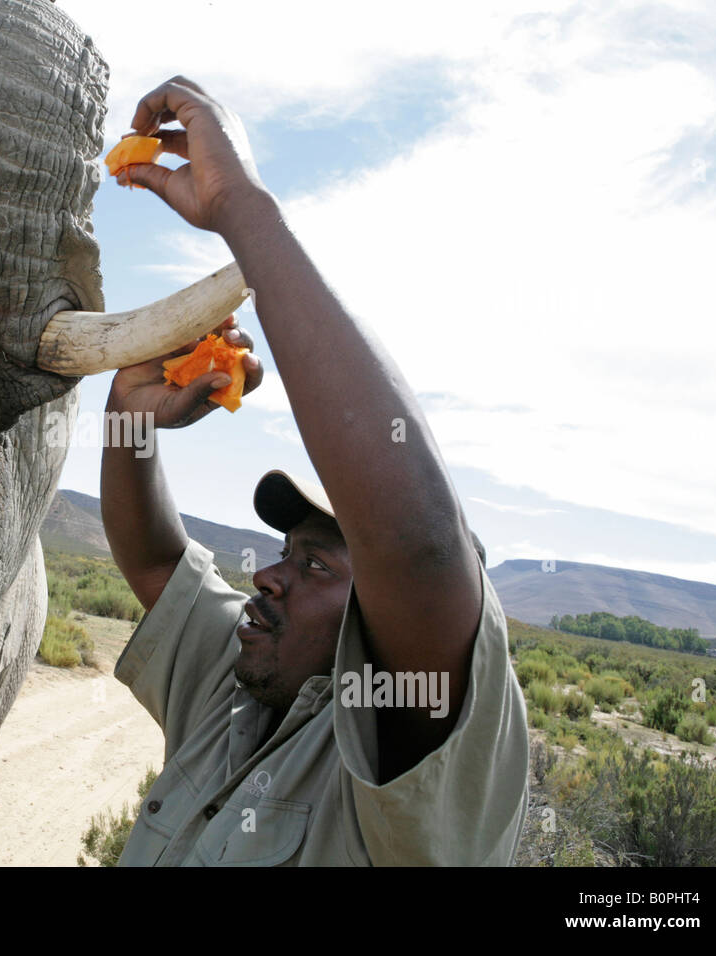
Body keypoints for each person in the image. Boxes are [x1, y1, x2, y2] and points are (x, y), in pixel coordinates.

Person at [101, 77, 529, 866]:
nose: (267, 577)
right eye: (286, 554)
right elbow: (160, 562)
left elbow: (420, 547)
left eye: (316, 564)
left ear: (383, 621)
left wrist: (241, 209)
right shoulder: (235, 687)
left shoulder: (401, 742)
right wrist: (127, 419)